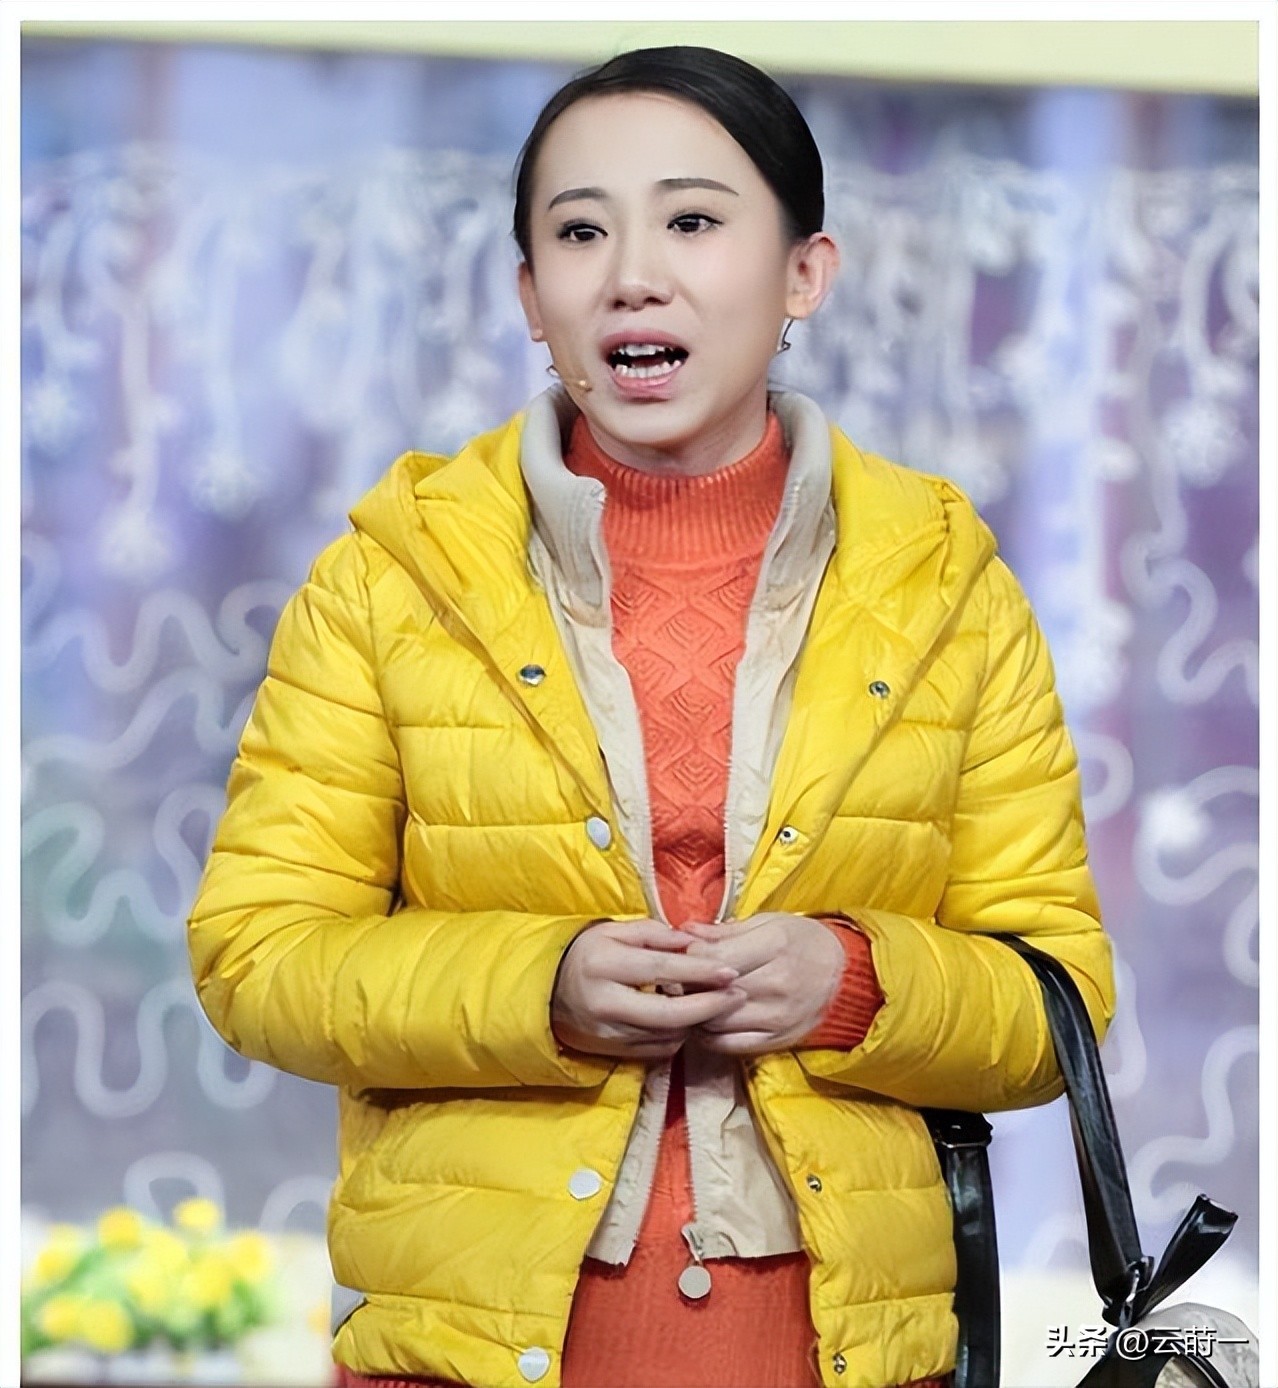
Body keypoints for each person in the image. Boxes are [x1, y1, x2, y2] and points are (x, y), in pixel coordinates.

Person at [187, 45, 1115, 1388]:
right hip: (461, 1353)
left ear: (805, 273)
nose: (632, 273)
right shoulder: (388, 581)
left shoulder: (947, 589)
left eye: (691, 220)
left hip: (849, 1353)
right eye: (580, 233)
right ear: (529, 295)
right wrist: (540, 986)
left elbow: (1056, 1001)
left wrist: (852, 982)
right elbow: (259, 957)